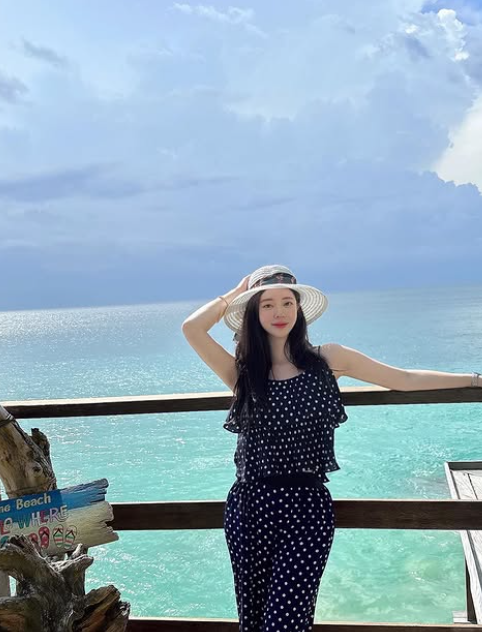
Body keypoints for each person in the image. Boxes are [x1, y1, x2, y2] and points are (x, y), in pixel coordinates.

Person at [181, 263, 481, 631]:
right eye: (267, 304)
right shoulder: (243, 373)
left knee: (286, 622)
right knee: (254, 621)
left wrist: (474, 379)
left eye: (287, 302)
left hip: (307, 510)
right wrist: (235, 293)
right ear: (253, 313)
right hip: (250, 508)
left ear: (299, 309)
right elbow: (192, 328)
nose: (279, 312)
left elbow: (402, 379)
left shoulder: (328, 360)